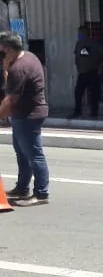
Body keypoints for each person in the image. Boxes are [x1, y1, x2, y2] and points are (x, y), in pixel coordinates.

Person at [0, 32, 50, 206]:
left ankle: (41, 194)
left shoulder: (18, 68)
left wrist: (1, 115)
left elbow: (10, 99)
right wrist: (5, 66)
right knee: (22, 153)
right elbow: (10, 88)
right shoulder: (28, 57)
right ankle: (22, 188)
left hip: (29, 115)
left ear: (7, 48)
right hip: (23, 114)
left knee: (34, 154)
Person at [71, 25, 103, 120]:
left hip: (92, 72)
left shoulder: (94, 44)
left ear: (87, 33)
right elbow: (77, 56)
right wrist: (77, 66)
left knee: (94, 94)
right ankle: (77, 111)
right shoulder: (79, 44)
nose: (80, 35)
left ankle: (94, 112)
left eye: (82, 33)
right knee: (78, 92)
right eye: (79, 33)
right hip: (82, 72)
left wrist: (99, 69)